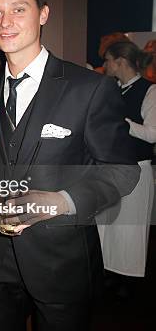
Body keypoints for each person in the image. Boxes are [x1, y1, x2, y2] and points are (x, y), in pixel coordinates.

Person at [0, 0, 139, 330]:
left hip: (63, 263)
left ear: (44, 14)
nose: (5, 22)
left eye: (18, 9)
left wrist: (61, 201)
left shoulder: (90, 88)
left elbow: (123, 170)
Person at [99, 40, 154, 289]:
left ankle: (128, 280)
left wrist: (122, 122)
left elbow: (152, 134)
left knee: (130, 228)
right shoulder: (113, 89)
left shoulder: (150, 91)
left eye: (107, 60)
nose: (105, 65)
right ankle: (110, 272)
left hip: (137, 168)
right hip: (112, 168)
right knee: (108, 226)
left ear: (120, 61)